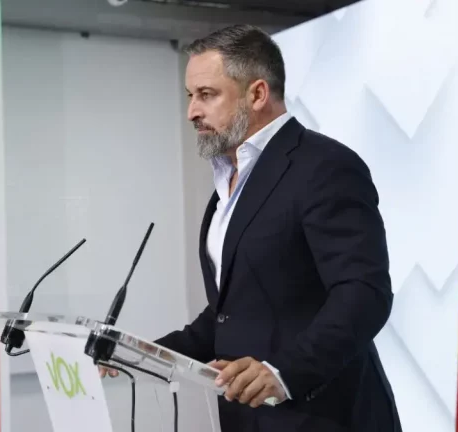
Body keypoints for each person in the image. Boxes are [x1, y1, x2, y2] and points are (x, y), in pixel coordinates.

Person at [103, 24, 402, 432]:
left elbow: (363, 294)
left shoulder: (324, 166)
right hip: (248, 420)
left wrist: (284, 372)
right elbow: (231, 314)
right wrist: (143, 352)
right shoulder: (227, 183)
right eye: (190, 96)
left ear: (257, 94)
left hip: (325, 416)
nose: (192, 111)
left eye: (206, 95)